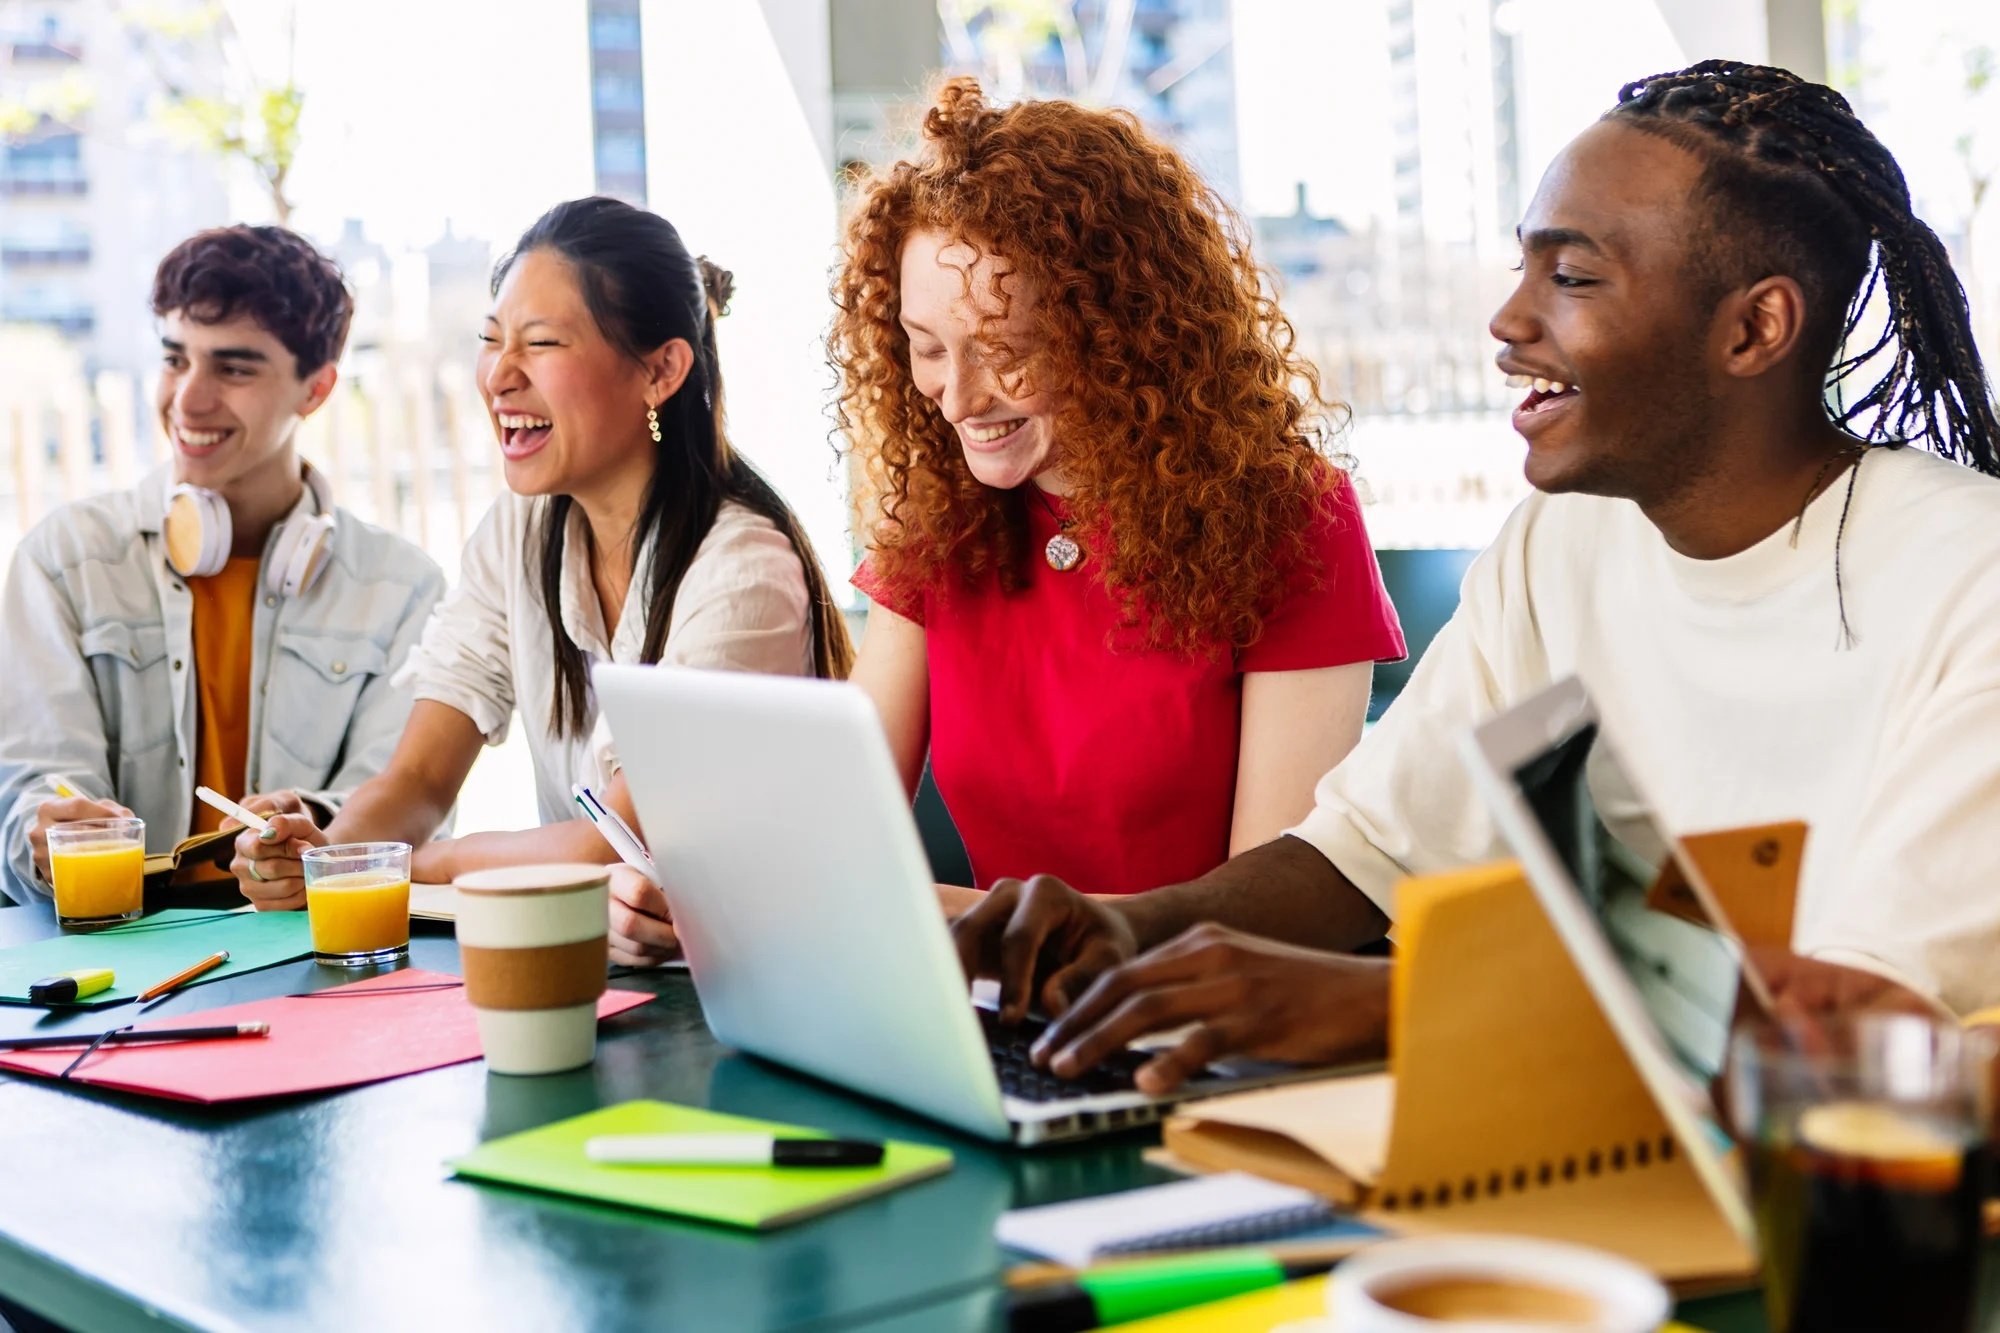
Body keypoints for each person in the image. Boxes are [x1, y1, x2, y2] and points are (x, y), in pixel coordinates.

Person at [951, 61, 2000, 1091]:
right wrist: (1124, 925)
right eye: (1522, 268)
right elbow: (1366, 847)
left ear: (1752, 327)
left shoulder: (1969, 579)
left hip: (1852, 1213)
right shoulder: (1560, 543)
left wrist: (1382, 1007)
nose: (1506, 322)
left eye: (1572, 276)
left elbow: (1859, 1019)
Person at [230, 198, 853, 965]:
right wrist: (323, 854)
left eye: (542, 343)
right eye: (492, 342)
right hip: (597, 975)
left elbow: (616, 841)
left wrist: (397, 869)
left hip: (765, 981)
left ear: (660, 370)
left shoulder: (742, 573)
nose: (500, 375)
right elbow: (421, 777)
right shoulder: (517, 534)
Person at [831, 80, 1404, 908]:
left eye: (1005, 351)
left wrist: (943, 911)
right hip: (998, 1011)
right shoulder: (940, 521)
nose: (956, 398)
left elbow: (1268, 916)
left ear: (1118, 336)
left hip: (1191, 1019)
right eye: (926, 347)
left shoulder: (1291, 520)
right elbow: (840, 824)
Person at [0, 225, 445, 904]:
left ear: (316, 390)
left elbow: (394, 807)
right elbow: (30, 788)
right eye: (176, 358)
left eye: (233, 368)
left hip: (304, 947)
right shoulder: (65, 561)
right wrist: (43, 829)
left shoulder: (402, 590)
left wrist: (316, 833)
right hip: (113, 950)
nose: (188, 399)